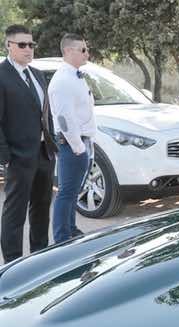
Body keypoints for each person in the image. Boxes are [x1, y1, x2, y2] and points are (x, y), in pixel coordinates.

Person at [0, 25, 56, 263]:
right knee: (15, 213)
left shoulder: (38, 74)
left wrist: (53, 143)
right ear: (8, 46)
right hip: (18, 156)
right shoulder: (2, 75)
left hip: (44, 153)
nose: (28, 49)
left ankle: (39, 258)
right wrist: (5, 156)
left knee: (42, 209)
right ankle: (13, 265)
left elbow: (46, 113)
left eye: (31, 44)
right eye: (22, 45)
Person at [48, 33, 95, 243]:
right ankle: (62, 238)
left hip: (82, 141)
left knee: (73, 191)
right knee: (66, 193)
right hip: (72, 144)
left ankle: (71, 230)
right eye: (82, 49)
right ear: (68, 51)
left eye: (87, 49)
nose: (87, 53)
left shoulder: (75, 76)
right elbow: (64, 119)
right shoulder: (63, 80)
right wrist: (78, 147)